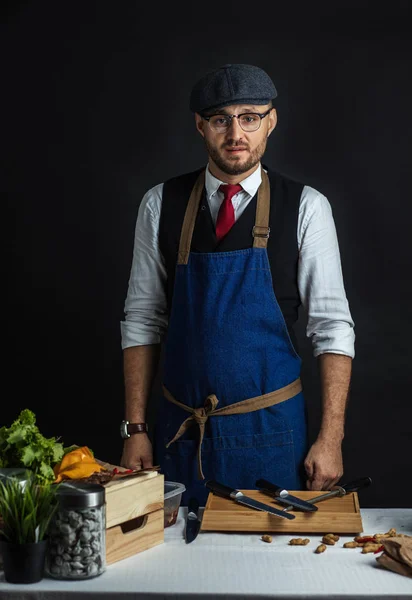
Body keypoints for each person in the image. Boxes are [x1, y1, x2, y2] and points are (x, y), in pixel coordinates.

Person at [119, 63, 355, 505]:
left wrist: (331, 437)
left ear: (271, 121)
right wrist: (136, 429)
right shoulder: (159, 204)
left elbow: (333, 329)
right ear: (199, 126)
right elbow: (141, 321)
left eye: (250, 117)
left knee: (270, 567)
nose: (236, 134)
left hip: (275, 436)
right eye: (220, 119)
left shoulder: (306, 207)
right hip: (181, 435)